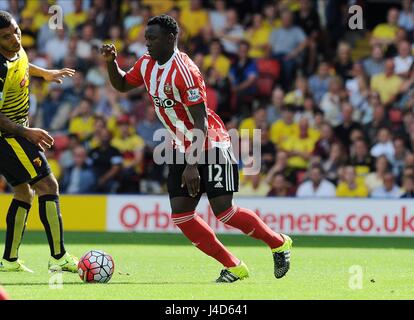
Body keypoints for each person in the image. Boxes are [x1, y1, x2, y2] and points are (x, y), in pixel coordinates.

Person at [101, 14, 292, 283]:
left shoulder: (185, 70)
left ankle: (278, 243)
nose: (147, 44)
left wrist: (192, 164)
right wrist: (111, 63)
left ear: (170, 38)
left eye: (153, 39)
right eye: (146, 38)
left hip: (209, 142)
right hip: (180, 144)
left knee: (224, 211)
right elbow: (121, 84)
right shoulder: (146, 64)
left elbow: (200, 122)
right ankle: (234, 266)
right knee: (182, 216)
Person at [0, 11, 78, 273]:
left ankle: (9, 260)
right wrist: (27, 132)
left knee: (24, 191)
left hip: (14, 133)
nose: (14, 38)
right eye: (6, 37)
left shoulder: (16, 50)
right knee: (48, 184)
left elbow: (22, 64)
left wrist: (44, 73)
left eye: (16, 31)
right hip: (7, 136)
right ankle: (59, 256)